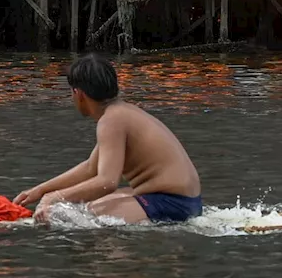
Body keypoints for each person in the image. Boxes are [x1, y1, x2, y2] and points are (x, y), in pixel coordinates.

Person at [14, 53, 202, 224]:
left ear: (78, 94)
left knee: (80, 216)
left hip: (174, 204)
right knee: (86, 205)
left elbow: (107, 182)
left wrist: (53, 198)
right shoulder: (119, 113)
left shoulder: (111, 120)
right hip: (184, 201)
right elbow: (91, 168)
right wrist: (40, 191)